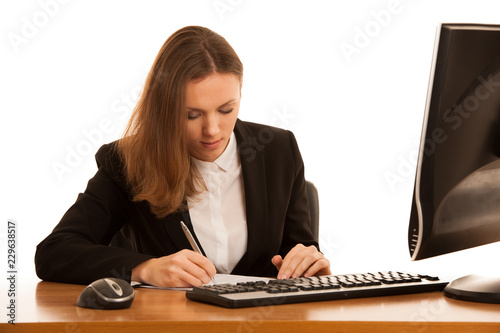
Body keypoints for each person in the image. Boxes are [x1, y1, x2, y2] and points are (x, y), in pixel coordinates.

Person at [35, 25, 331, 288]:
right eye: (192, 114)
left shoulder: (279, 149)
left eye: (226, 109)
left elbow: (298, 248)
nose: (212, 129)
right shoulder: (126, 162)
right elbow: (55, 252)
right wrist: (145, 268)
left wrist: (309, 261)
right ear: (164, 108)